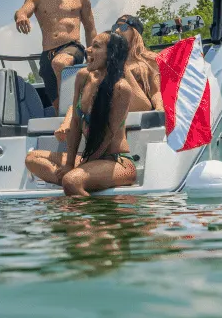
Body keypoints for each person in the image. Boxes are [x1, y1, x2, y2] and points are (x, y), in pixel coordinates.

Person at [24, 31, 139, 195]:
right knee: (32, 158)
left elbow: (108, 135)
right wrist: (69, 164)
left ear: (111, 54)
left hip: (116, 162)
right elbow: (76, 123)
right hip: (88, 158)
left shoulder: (121, 88)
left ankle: (75, 189)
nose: (88, 49)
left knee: (71, 181)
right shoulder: (83, 77)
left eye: (96, 46)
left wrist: (84, 164)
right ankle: (77, 185)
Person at [13, 0, 96, 111]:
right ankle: (68, 120)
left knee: (60, 63)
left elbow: (90, 27)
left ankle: (73, 113)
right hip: (47, 54)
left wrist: (93, 54)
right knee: (58, 106)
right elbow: (23, 11)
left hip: (72, 48)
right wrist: (21, 16)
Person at [109, 13, 162, 112]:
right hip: (115, 112)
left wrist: (159, 108)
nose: (117, 30)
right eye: (115, 27)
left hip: (142, 111)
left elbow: (156, 91)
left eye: (123, 27)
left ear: (135, 32)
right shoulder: (109, 60)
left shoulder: (150, 59)